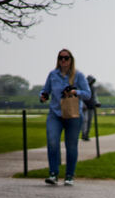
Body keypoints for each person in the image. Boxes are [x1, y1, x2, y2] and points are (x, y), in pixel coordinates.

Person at [39, 49, 91, 186]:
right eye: (60, 58)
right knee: (52, 142)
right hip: (55, 114)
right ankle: (53, 173)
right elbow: (45, 90)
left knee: (71, 146)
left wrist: (75, 91)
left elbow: (88, 94)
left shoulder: (78, 75)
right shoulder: (52, 75)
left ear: (71, 60)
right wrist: (43, 95)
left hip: (73, 115)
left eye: (66, 58)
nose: (63, 60)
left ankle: (69, 175)